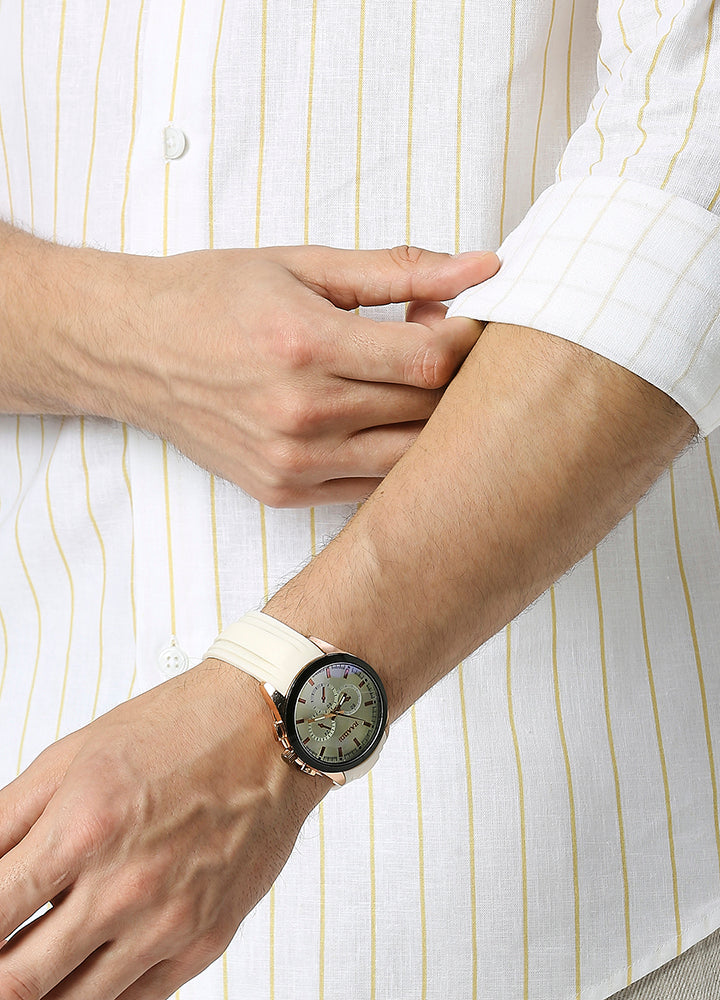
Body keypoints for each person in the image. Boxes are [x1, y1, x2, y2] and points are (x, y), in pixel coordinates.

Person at [0, 2, 719, 999]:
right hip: (44, 866)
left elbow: (694, 146)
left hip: (569, 904)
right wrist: (125, 336)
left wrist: (269, 711)